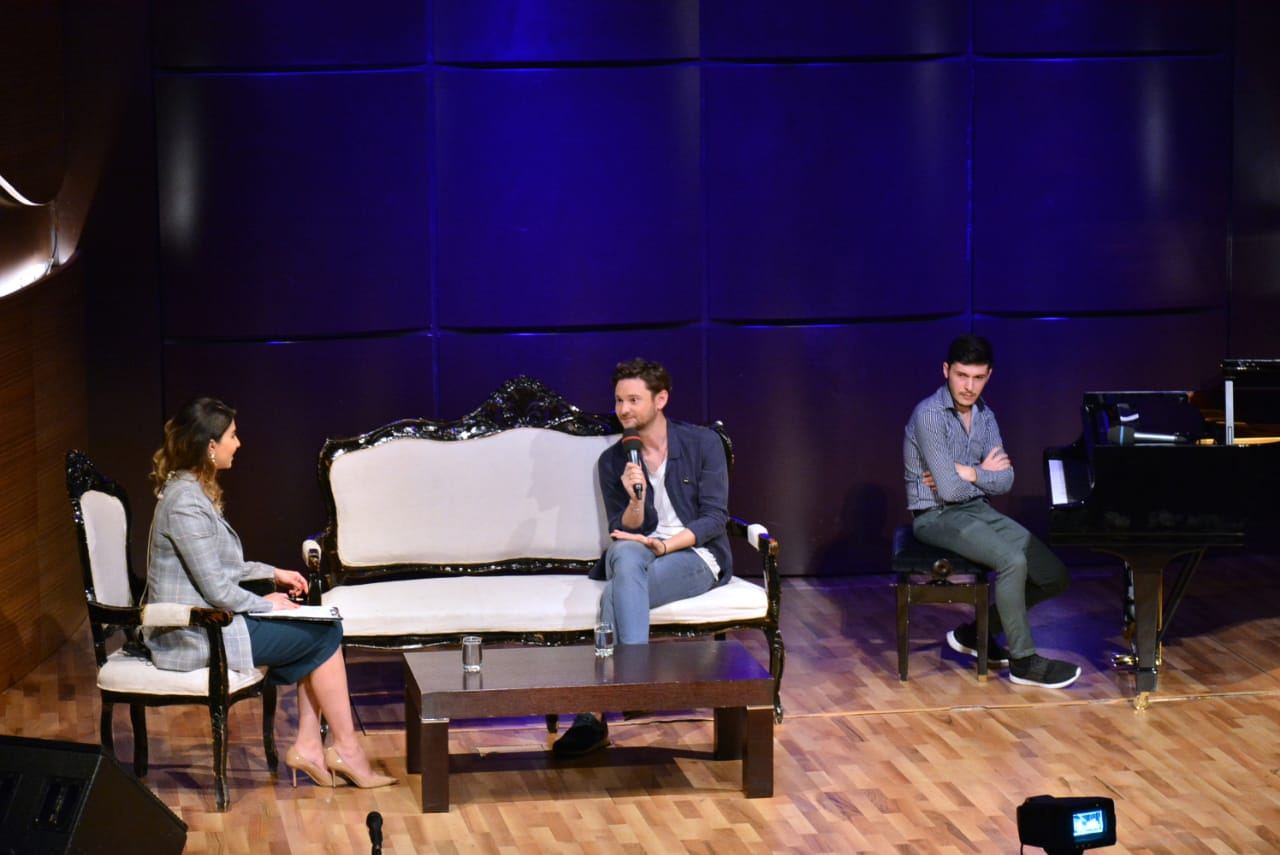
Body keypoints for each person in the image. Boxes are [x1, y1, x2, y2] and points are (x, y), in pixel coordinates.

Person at [144, 397, 395, 788]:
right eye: (232, 436)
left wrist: (273, 574)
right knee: (324, 634)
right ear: (210, 446)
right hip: (195, 633)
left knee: (320, 631)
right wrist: (265, 603)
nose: (238, 443)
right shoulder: (184, 503)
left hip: (215, 622)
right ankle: (342, 750)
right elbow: (216, 587)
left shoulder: (191, 492)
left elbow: (221, 568)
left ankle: (313, 746)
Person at [552, 358, 732, 756]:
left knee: (614, 595)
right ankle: (636, 684)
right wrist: (636, 498)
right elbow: (623, 528)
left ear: (660, 399)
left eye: (633, 400)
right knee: (625, 552)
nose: (623, 409)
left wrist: (666, 546)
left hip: (694, 553)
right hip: (637, 552)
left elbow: (714, 518)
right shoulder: (613, 461)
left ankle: (592, 715)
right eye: (619, 400)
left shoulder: (703, 443)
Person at [903, 335, 1080, 688]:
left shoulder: (985, 416)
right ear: (946, 371)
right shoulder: (929, 415)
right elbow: (948, 491)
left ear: (989, 376)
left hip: (976, 510)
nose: (969, 387)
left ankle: (976, 633)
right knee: (1012, 560)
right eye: (962, 376)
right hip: (935, 516)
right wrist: (982, 474)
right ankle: (1023, 661)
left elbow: (1006, 480)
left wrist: (968, 472)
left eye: (978, 377)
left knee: (1053, 575)